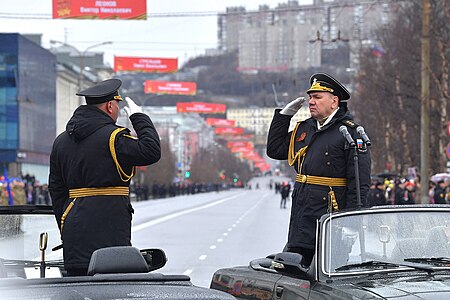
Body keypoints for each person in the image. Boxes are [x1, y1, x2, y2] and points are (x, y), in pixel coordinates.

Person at [49, 78, 161, 276]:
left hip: (74, 235)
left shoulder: (61, 141)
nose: (118, 110)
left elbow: (57, 191)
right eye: (117, 105)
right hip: (111, 235)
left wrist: (66, 225)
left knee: (76, 292)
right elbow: (151, 151)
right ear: (110, 106)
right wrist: (139, 118)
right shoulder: (115, 137)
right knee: (111, 291)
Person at [266, 72, 371, 265]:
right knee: (295, 272)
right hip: (301, 217)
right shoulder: (305, 128)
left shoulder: (349, 132)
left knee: (325, 277)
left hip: (331, 220)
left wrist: (351, 222)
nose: (311, 102)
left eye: (317, 97)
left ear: (334, 101)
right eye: (310, 97)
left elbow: (359, 182)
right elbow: (275, 149)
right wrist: (284, 116)